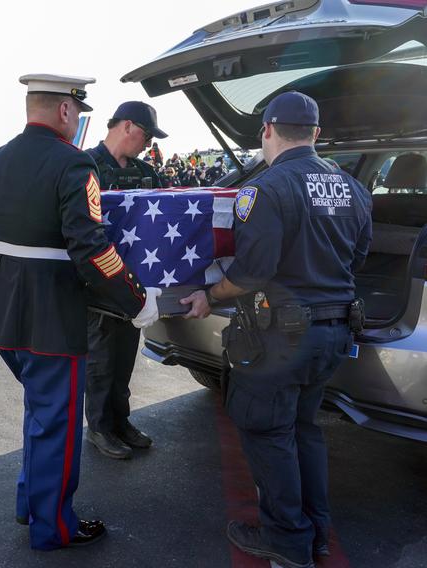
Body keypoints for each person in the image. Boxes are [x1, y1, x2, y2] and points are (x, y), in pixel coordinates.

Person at [180, 92, 372, 568]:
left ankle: (287, 543)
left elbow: (250, 274)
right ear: (316, 135)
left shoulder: (266, 189)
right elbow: (358, 256)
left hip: (280, 340)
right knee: (304, 429)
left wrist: (209, 295)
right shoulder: (352, 188)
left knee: (268, 434)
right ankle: (316, 533)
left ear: (266, 130)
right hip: (334, 332)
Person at [0, 74, 150, 551]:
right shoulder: (74, 164)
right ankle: (54, 527)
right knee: (57, 422)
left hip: (0, 307)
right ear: (66, 111)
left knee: (40, 411)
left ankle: (31, 504)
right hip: (49, 314)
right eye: (78, 112)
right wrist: (135, 299)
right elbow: (90, 247)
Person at [83, 101, 165, 460]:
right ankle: (99, 427)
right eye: (146, 136)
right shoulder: (85, 166)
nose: (148, 145)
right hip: (97, 281)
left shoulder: (147, 173)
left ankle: (121, 422)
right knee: (100, 360)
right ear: (127, 126)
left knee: (124, 358)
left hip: (133, 282)